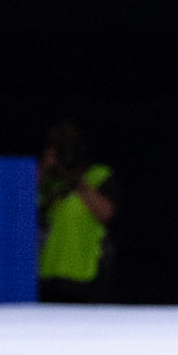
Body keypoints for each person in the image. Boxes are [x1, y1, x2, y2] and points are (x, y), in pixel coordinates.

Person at [37, 122, 116, 303]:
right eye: (56, 145)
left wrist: (73, 177)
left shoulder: (97, 175)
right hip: (46, 276)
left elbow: (106, 213)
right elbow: (18, 210)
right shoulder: (46, 181)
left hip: (84, 277)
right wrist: (43, 169)